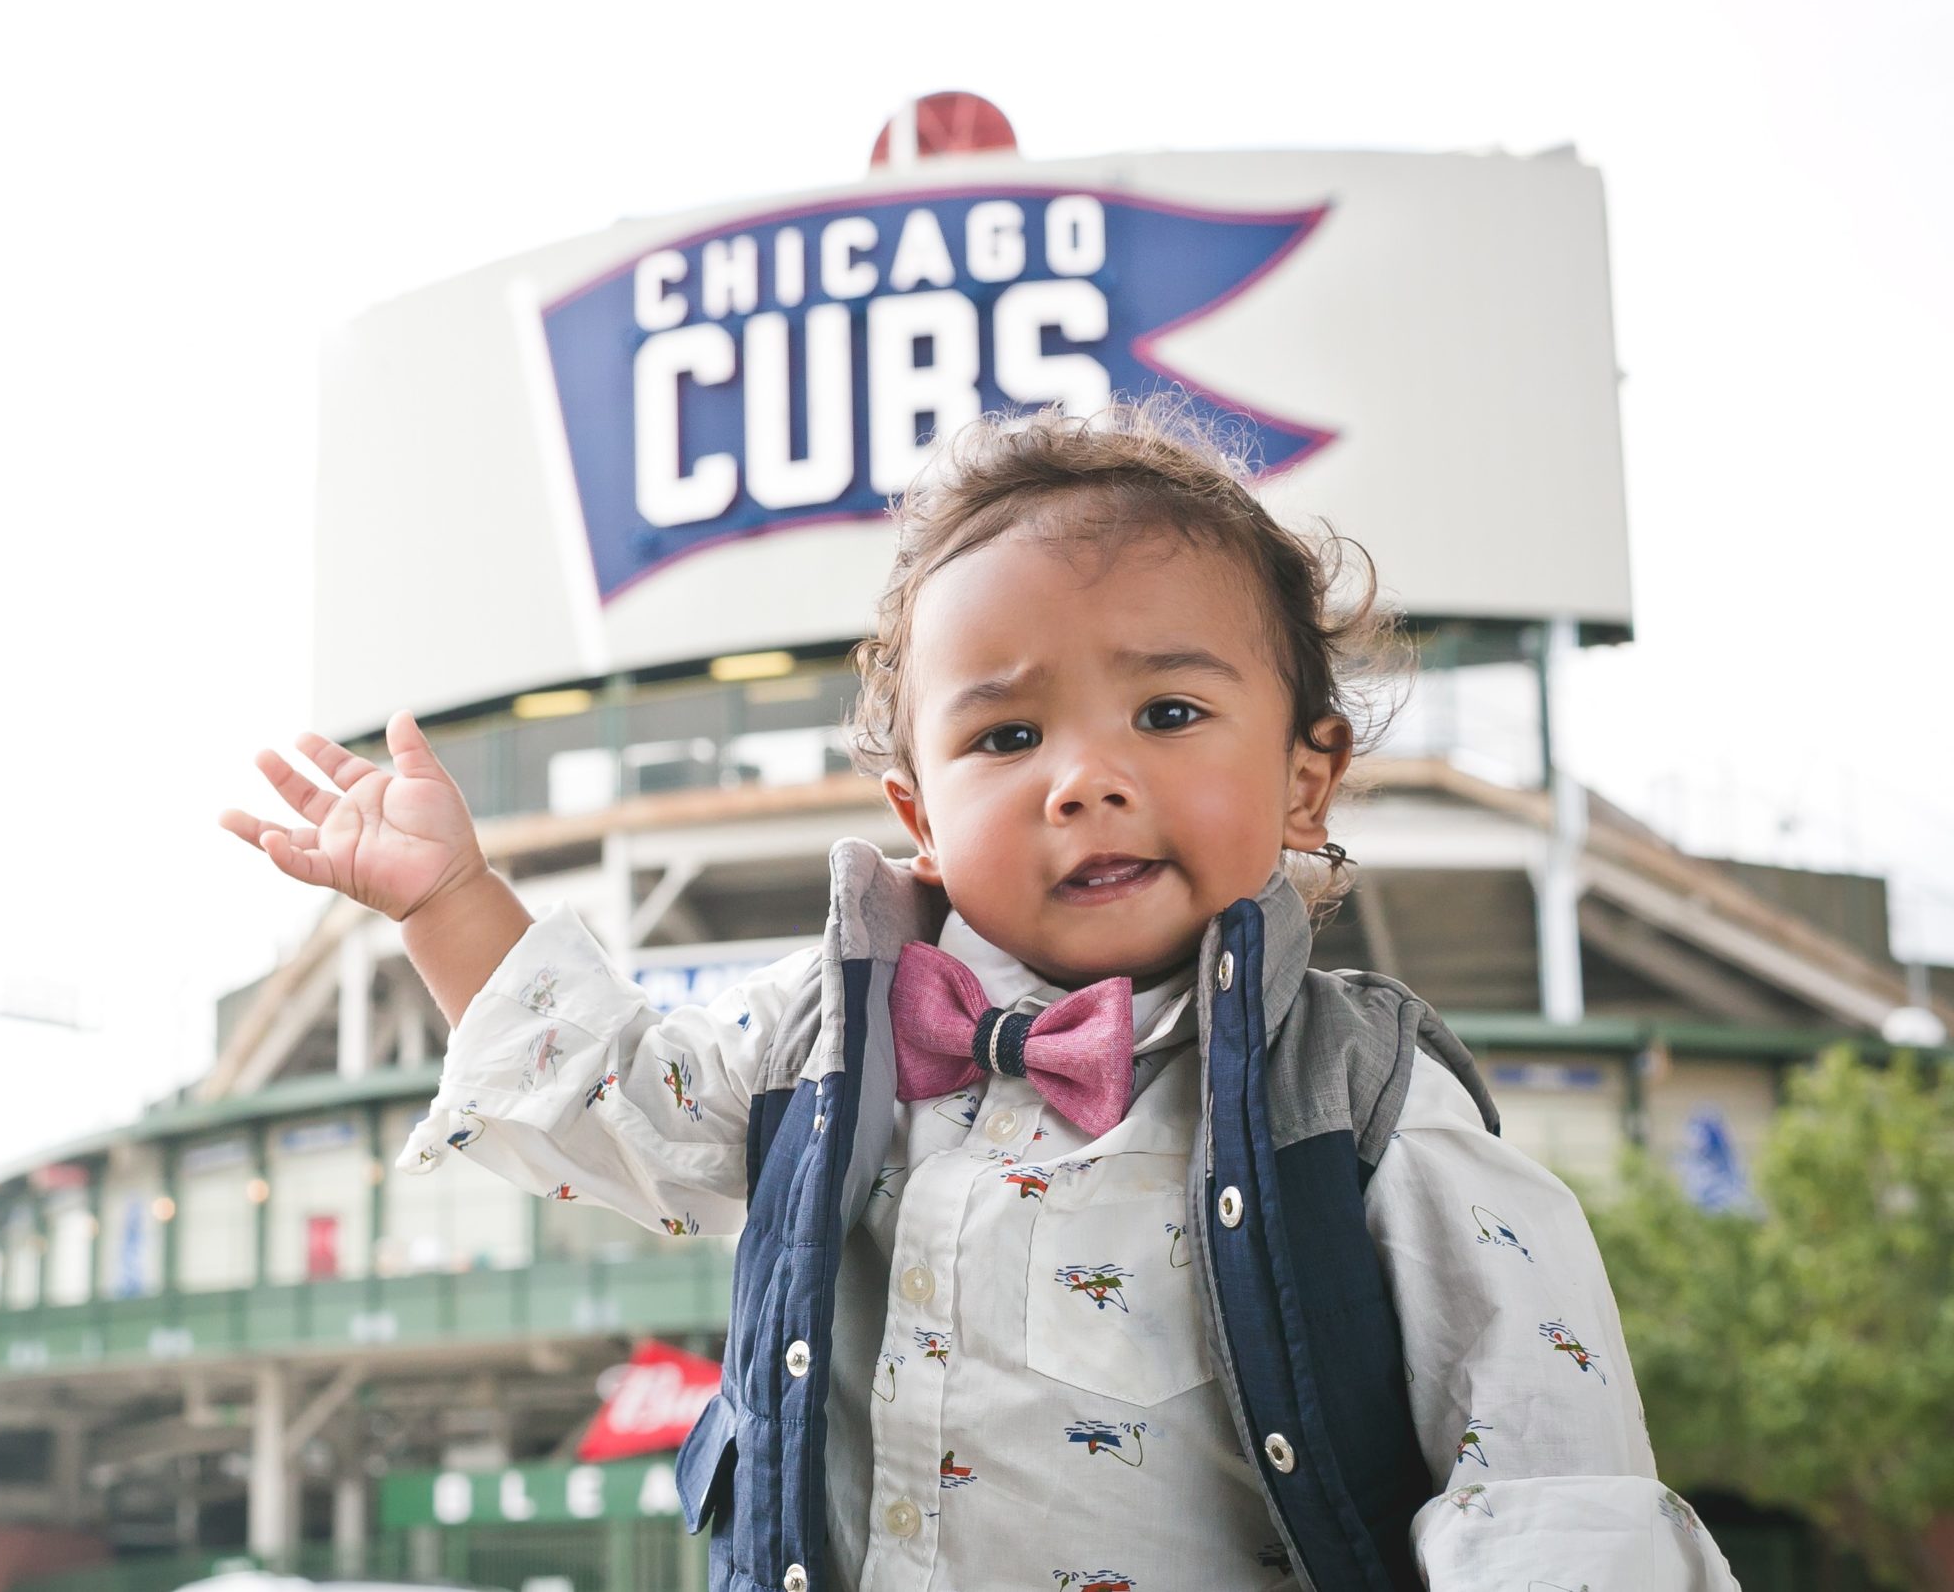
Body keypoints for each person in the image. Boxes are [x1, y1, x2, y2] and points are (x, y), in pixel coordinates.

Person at [222, 402, 1735, 1592]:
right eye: (1006, 736)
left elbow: (1549, 1492)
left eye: (1168, 710)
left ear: (1303, 777)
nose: (1085, 774)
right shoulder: (824, 1031)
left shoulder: (1363, 1107)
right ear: (921, 817)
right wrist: (450, 903)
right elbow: (617, 1104)